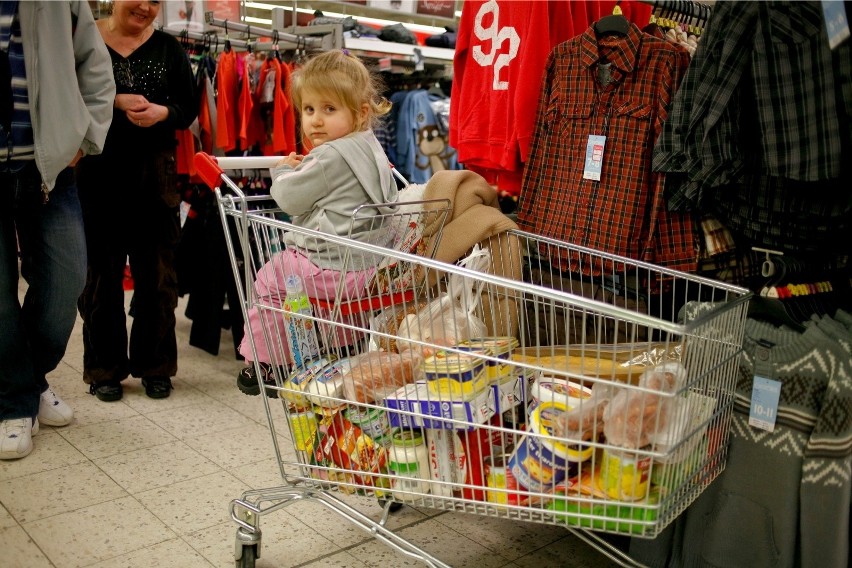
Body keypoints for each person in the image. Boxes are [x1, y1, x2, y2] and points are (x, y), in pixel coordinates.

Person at [237, 49, 399, 396]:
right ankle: (341, 346)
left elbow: (289, 198)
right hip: (367, 266)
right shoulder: (371, 147)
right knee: (325, 300)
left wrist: (282, 171)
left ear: (361, 112)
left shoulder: (328, 155)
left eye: (329, 109)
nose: (316, 121)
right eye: (309, 110)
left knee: (270, 279)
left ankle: (266, 364)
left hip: (330, 264)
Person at [0, 1, 115, 460]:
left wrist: (84, 136)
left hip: (48, 164)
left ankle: (24, 381)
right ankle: (13, 402)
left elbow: (94, 63)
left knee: (67, 278)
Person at [76, 0, 198, 402]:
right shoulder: (85, 37)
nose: (145, 7)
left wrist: (163, 112)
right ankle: (104, 369)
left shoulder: (169, 48)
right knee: (99, 281)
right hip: (96, 175)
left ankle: (155, 365)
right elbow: (65, 93)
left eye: (156, 2)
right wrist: (114, 102)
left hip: (155, 179)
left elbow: (189, 108)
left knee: (158, 279)